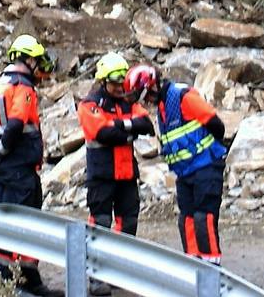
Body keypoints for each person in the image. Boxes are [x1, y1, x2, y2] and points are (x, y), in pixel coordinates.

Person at [0, 34, 57, 294]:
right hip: (19, 167)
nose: (38, 66)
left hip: (2, 170)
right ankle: (26, 280)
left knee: (4, 218)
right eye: (35, 60)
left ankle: (3, 277)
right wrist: (1, 151)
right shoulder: (23, 88)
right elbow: (16, 124)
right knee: (28, 220)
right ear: (26, 59)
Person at [136, 64, 227, 266]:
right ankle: (193, 264)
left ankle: (211, 268)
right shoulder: (162, 106)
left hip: (206, 167)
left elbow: (216, 125)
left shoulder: (182, 97)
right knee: (187, 219)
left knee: (204, 218)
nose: (147, 103)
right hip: (185, 173)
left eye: (147, 97)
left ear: (153, 87)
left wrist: (208, 154)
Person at [79, 52, 155, 236]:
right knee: (100, 223)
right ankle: (95, 263)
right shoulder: (90, 104)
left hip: (126, 176)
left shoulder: (128, 103)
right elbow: (103, 133)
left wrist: (120, 125)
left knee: (129, 222)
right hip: (101, 176)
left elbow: (146, 125)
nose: (120, 87)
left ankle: (121, 263)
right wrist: (129, 133)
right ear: (103, 81)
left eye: (122, 82)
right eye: (115, 83)